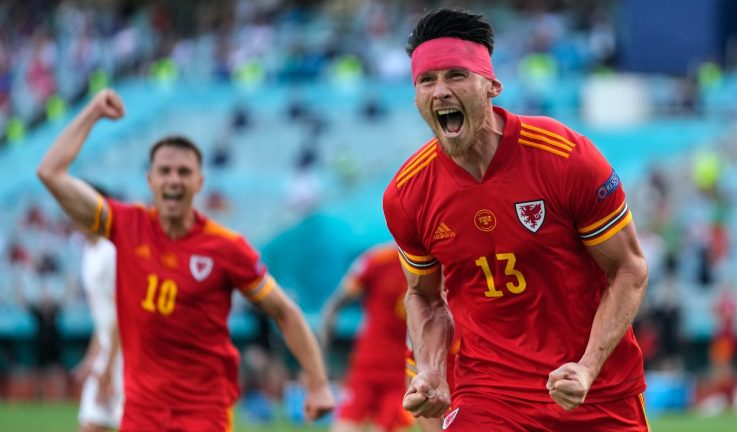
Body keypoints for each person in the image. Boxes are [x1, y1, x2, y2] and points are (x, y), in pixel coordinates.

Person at [382, 9, 650, 431]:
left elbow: (628, 268)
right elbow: (425, 297)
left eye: (456, 75)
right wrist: (431, 369)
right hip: (491, 395)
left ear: (492, 85)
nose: (440, 92)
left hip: (594, 392)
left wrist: (586, 366)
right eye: (426, 81)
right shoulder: (407, 194)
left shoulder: (565, 157)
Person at [37, 89, 335, 431]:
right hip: (141, 414)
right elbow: (50, 173)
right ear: (150, 180)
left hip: (203, 414)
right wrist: (91, 111)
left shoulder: (226, 247)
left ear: (199, 182)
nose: (174, 180)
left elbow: (284, 311)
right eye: (164, 172)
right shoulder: (125, 225)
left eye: (183, 172)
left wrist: (318, 383)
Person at [319, 243, 412, 432]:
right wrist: (321, 359)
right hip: (368, 366)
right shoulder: (377, 260)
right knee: (343, 427)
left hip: (404, 374)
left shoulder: (439, 264)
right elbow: (333, 306)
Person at [72, 192, 123, 431]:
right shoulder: (89, 251)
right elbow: (102, 315)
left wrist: (109, 367)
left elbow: (122, 313)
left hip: (124, 357)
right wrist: (92, 359)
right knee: (91, 424)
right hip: (107, 354)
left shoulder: (111, 252)